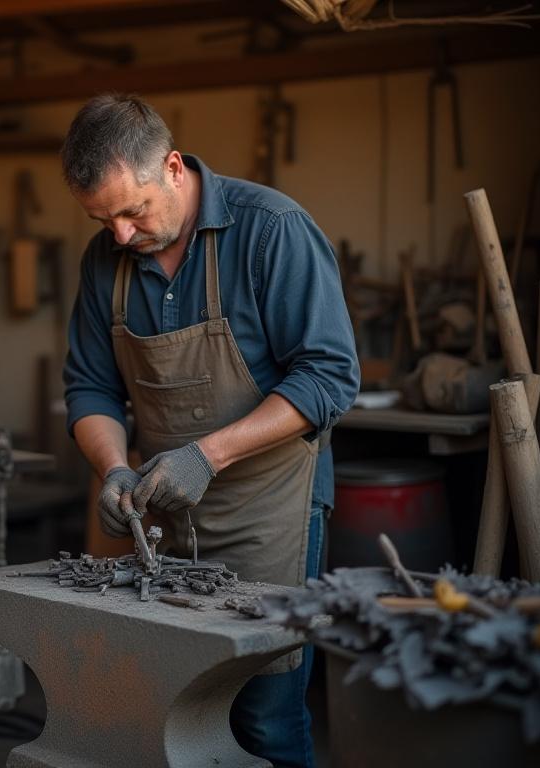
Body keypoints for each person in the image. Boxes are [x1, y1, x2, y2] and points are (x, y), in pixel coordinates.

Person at [61, 93, 360, 767]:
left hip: (269, 512)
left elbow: (329, 378)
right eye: (102, 219)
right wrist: (113, 466)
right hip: (160, 518)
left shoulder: (272, 230)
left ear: (171, 167)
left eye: (133, 211)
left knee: (265, 719)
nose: (120, 236)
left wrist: (208, 454)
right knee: (166, 706)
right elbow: (90, 387)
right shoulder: (103, 260)